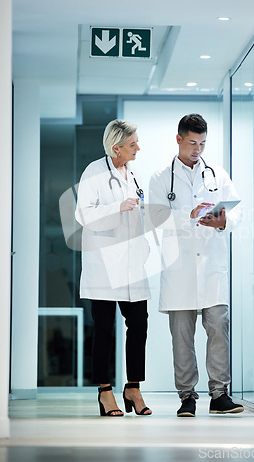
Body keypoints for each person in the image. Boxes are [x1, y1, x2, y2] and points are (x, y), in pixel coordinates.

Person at [149, 113, 244, 417]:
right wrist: (187, 215)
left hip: (212, 269)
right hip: (178, 271)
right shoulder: (161, 177)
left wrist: (223, 220)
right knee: (182, 338)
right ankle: (187, 397)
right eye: (192, 143)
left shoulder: (218, 174)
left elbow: (237, 212)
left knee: (218, 330)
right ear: (179, 139)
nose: (198, 150)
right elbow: (154, 217)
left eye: (202, 143)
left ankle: (219, 395)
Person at [75, 119, 152, 417]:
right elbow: (83, 214)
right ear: (115, 147)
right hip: (104, 265)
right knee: (104, 329)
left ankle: (133, 386)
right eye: (133, 144)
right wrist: (115, 208)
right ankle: (105, 391)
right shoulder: (94, 171)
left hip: (133, 264)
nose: (138, 148)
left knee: (139, 325)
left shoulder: (134, 174)